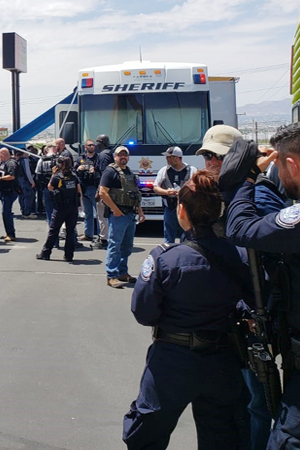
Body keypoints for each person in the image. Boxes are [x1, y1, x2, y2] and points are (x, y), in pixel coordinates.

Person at [122, 170, 250, 449]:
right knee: (224, 434)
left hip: (172, 359)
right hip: (223, 358)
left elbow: (144, 313)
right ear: (218, 211)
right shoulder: (239, 256)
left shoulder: (165, 258)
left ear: (182, 212)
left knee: (146, 434)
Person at [225, 121, 300, 449]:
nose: (281, 179)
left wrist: (247, 177)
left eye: (281, 169)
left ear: (293, 165)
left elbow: (242, 228)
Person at [99, 146, 145, 288]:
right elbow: (102, 192)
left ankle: (122, 272)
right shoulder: (110, 172)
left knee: (126, 246)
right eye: (120, 155)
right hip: (119, 215)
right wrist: (115, 209)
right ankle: (111, 275)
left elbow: (135, 194)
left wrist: (140, 211)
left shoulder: (129, 172)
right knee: (115, 245)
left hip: (130, 213)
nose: (123, 157)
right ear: (115, 156)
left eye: (125, 155)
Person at [36, 156, 80, 262]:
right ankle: (69, 255)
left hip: (60, 207)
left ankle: (45, 253)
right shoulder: (74, 176)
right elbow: (79, 191)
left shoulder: (57, 176)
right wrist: (79, 205)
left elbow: (50, 187)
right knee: (70, 231)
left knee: (54, 230)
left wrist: (53, 174)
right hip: (72, 207)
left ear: (62, 164)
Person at [154, 146, 194, 244]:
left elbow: (197, 188)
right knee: (168, 238)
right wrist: (166, 192)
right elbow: (156, 188)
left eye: (169, 157)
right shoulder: (164, 170)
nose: (166, 159)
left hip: (185, 208)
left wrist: (184, 192)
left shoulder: (191, 170)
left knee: (186, 236)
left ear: (176, 158)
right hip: (170, 207)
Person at [76, 139, 102, 241]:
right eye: (90, 145)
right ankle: (88, 234)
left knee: (99, 214)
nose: (92, 147)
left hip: (94, 187)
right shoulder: (81, 159)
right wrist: (78, 169)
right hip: (83, 188)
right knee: (87, 213)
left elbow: (103, 172)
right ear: (85, 147)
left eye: (93, 145)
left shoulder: (98, 158)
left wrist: (95, 171)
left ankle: (102, 235)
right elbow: (74, 172)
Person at [94, 134, 115, 249]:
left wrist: (99, 191)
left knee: (102, 215)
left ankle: (104, 239)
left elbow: (104, 175)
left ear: (101, 143)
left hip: (105, 190)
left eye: (97, 142)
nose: (96, 144)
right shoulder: (110, 153)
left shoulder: (103, 155)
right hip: (110, 189)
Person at [0, 148, 19, 242]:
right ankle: (8, 233)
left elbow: (12, 176)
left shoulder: (11, 163)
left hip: (10, 191)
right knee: (5, 212)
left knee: (6, 212)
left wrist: (0, 178)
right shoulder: (4, 163)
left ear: (4, 154)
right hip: (4, 191)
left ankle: (11, 234)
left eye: (0, 155)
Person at [35, 144, 58, 222]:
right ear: (55, 149)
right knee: (58, 207)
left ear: (47, 150)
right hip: (58, 186)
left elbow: (37, 173)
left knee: (49, 208)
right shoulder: (59, 159)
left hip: (45, 186)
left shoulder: (41, 160)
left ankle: (51, 226)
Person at [17, 148, 37, 219]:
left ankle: (23, 211)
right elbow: (27, 172)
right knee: (29, 196)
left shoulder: (18, 160)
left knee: (22, 197)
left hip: (20, 181)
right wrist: (32, 182)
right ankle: (27, 213)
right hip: (26, 181)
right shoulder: (25, 160)